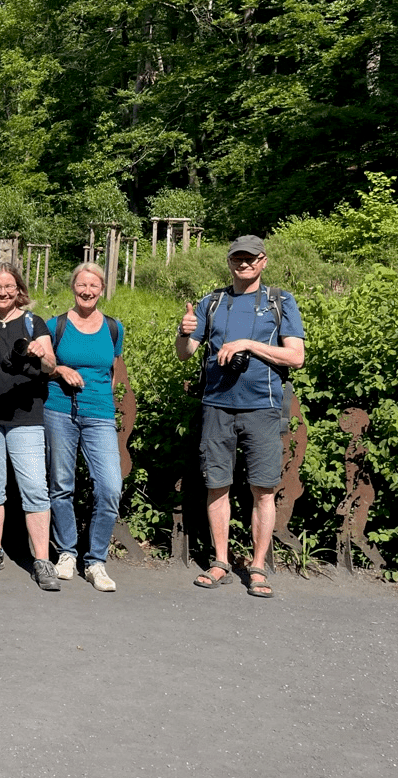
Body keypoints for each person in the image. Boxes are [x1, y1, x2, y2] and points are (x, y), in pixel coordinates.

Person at [176, 235, 305, 598]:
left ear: (263, 261)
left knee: (263, 490)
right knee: (217, 485)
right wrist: (184, 332)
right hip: (217, 405)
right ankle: (220, 562)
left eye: (250, 259)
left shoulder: (280, 302)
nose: (243, 264)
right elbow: (187, 354)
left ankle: (258, 567)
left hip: (263, 407)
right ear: (229, 261)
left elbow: (296, 357)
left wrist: (248, 344)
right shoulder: (212, 302)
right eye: (237, 258)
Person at [0, 262, 60, 590]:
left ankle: (42, 559)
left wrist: (39, 353)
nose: (3, 292)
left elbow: (50, 367)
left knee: (34, 486)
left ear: (19, 290)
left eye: (9, 286)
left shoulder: (36, 324)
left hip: (27, 417)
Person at [45, 263, 125, 592]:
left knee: (110, 487)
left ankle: (95, 561)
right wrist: (61, 369)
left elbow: (114, 370)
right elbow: (42, 365)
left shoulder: (113, 328)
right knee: (62, 485)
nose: (87, 291)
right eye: (82, 285)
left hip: (100, 415)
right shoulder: (56, 325)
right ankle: (66, 553)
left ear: (102, 289)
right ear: (73, 287)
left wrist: (101, 397)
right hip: (59, 411)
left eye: (94, 285)